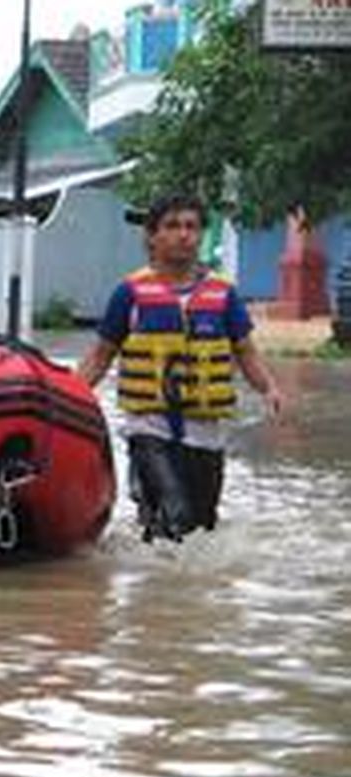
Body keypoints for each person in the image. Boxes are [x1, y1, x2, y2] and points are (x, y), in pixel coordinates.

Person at [76, 193, 284, 543]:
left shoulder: (223, 295)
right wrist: (72, 397)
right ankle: (156, 591)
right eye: (172, 226)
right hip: (149, 429)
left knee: (201, 530)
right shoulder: (129, 294)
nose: (183, 235)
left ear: (201, 234)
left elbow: (245, 351)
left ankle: (172, 589)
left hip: (206, 432)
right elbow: (100, 355)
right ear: (152, 236)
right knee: (174, 516)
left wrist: (269, 388)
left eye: (191, 226)